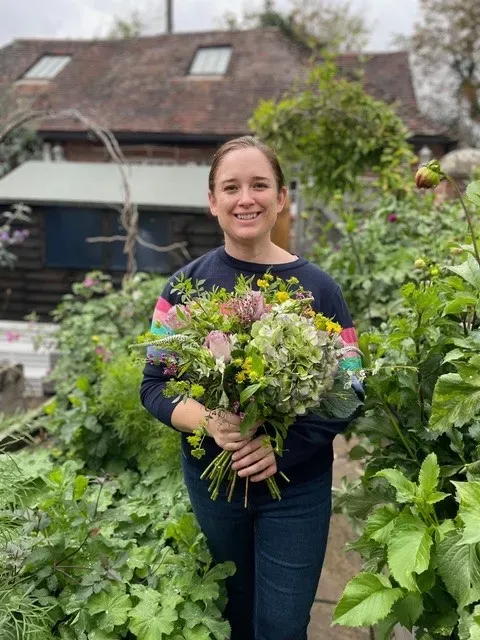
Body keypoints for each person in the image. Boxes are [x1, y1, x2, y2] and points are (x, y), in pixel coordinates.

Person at [140, 136, 363, 640]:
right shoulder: (185, 288)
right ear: (212, 201)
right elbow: (155, 385)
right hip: (213, 485)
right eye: (231, 187)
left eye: (260, 185)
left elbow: (350, 388)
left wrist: (280, 449)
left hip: (296, 488)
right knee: (232, 611)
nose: (247, 198)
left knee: (281, 627)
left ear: (281, 197)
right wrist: (212, 424)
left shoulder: (318, 289)